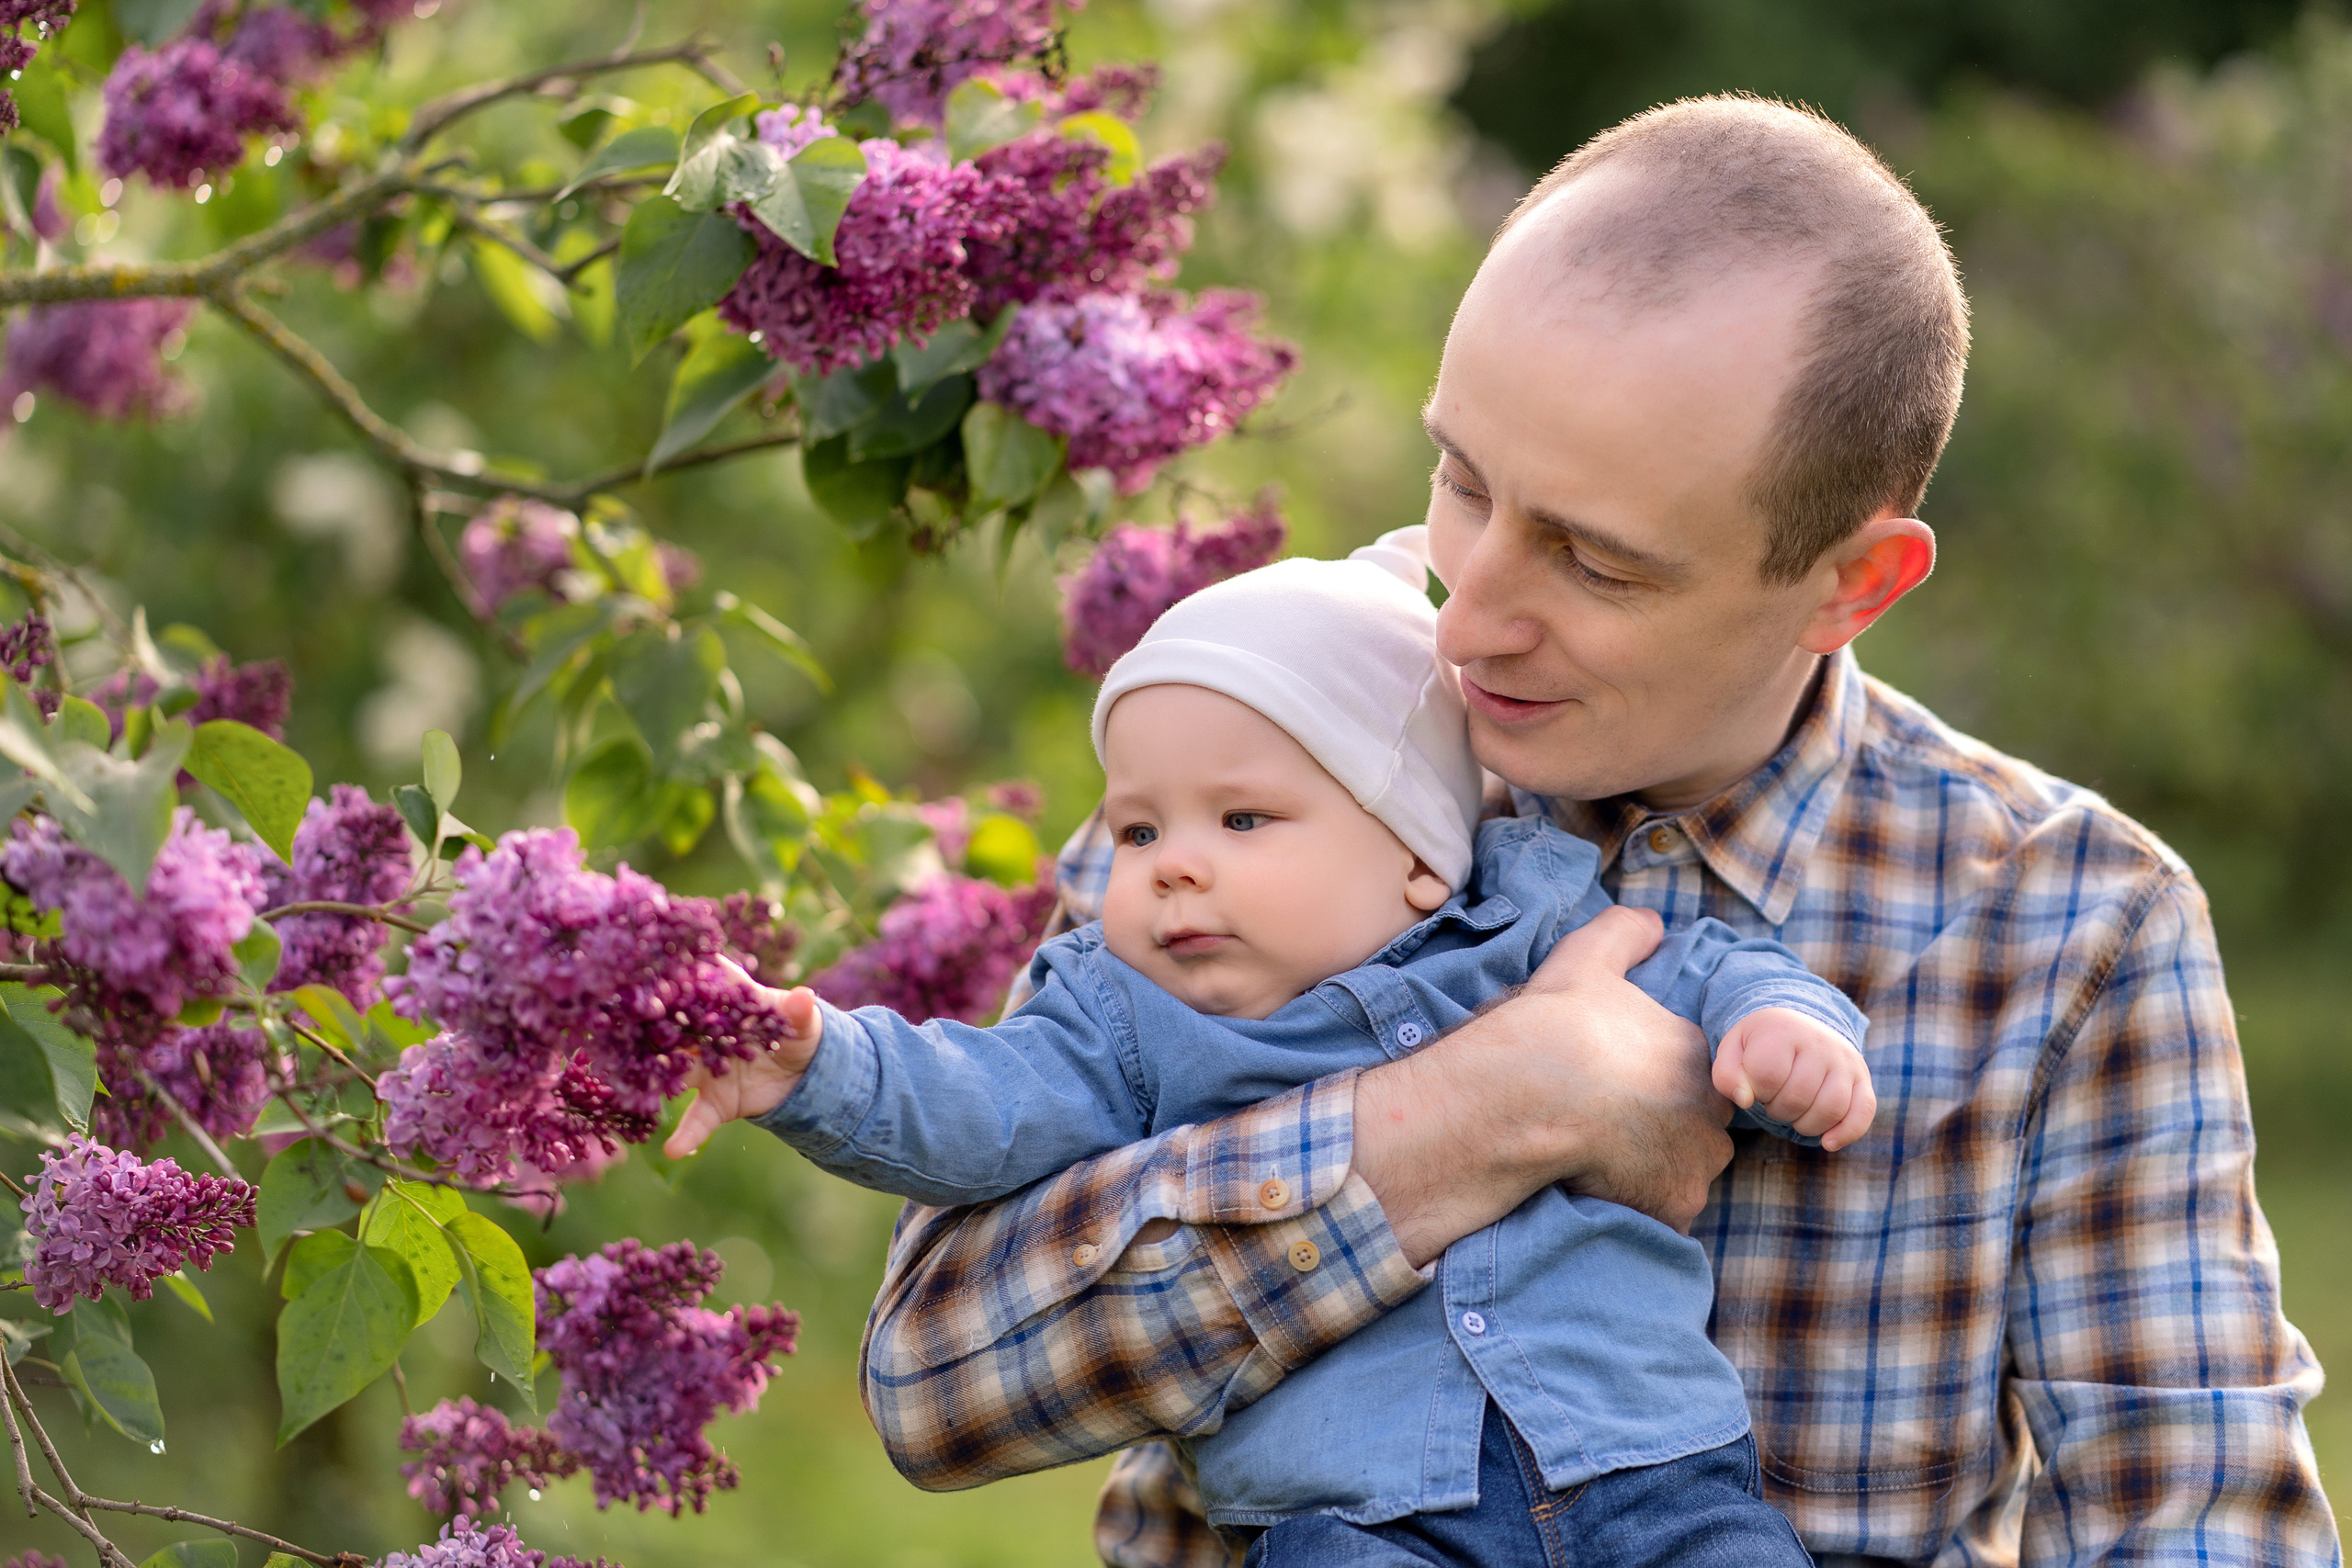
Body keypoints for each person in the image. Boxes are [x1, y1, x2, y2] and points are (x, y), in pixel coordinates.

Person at [841, 94, 2340, 1568]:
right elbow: (938, 1381)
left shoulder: (2073, 924)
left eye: (1597, 563)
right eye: (1465, 481)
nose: (1473, 613)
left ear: (1852, 584)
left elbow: (2196, 1517)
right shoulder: (1263, 770)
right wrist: (1485, 1111)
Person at [668, 546, 1875, 1564]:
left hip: (1648, 1467)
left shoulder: (1534, 919)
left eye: (1242, 820)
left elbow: (1714, 969)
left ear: (1416, 850)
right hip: (1358, 1517)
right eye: (1140, 827)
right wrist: (819, 1064)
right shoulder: (1123, 1017)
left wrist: (1790, 1032)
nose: (1171, 862)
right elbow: (979, 1099)